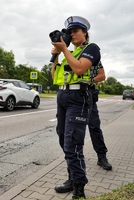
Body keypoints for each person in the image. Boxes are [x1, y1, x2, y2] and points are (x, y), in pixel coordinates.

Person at [51, 16, 101, 199]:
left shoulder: (91, 49)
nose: (72, 34)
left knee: (72, 142)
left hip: (78, 98)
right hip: (63, 96)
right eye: (69, 32)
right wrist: (56, 54)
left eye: (75, 31)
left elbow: (80, 69)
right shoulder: (67, 54)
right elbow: (54, 77)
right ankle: (72, 178)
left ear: (85, 32)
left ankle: (79, 187)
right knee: (63, 140)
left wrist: (64, 49)